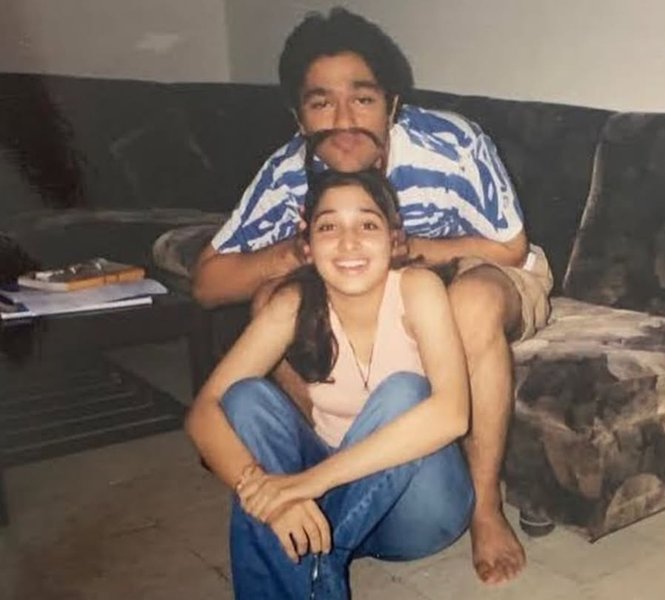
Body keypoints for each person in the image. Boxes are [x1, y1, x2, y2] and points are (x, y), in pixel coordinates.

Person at [192, 7, 553, 585]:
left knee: (470, 305)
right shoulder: (287, 172)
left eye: (362, 99)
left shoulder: (450, 142)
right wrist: (295, 253)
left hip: (476, 264)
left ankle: (485, 506)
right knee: (273, 302)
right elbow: (209, 283)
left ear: (391, 104)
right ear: (298, 116)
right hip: (363, 275)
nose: (343, 120)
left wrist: (409, 252)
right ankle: (325, 476)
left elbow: (509, 247)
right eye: (321, 103)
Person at [186, 168, 474, 598]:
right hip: (329, 504)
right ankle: (310, 565)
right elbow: (203, 411)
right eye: (328, 227)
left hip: (417, 509)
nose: (348, 242)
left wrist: (307, 485)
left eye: (367, 225)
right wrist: (267, 496)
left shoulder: (418, 288)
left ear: (395, 239)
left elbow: (451, 415)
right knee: (245, 398)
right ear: (307, 244)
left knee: (405, 392)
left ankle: (308, 564)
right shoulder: (293, 303)